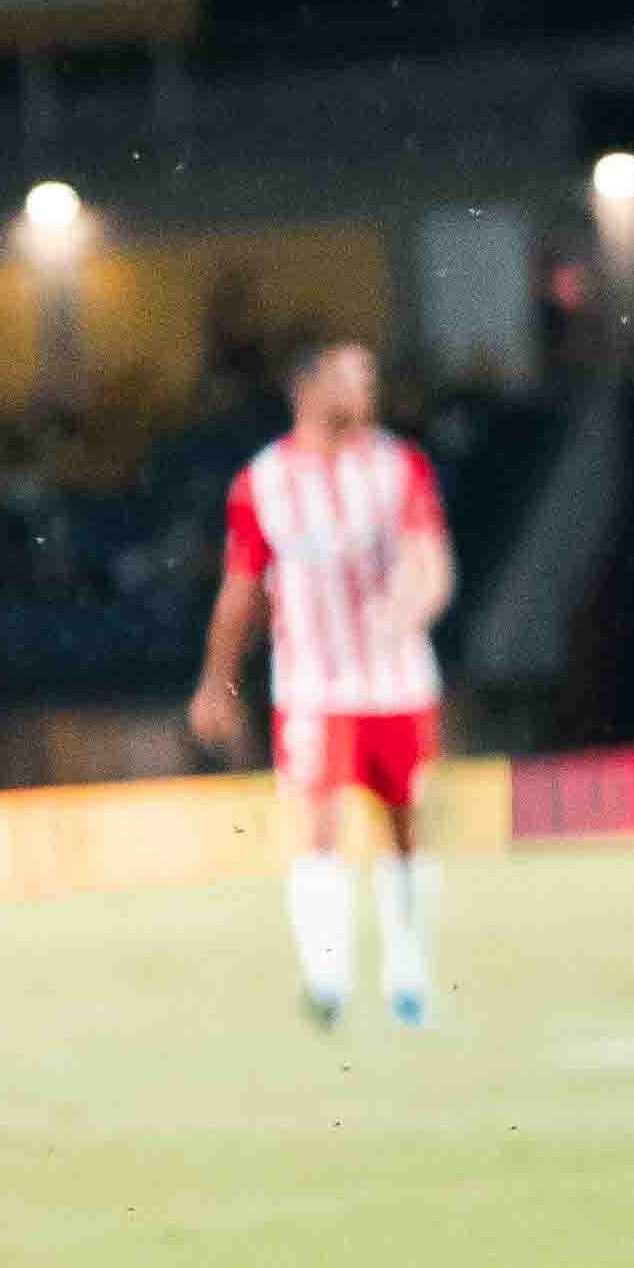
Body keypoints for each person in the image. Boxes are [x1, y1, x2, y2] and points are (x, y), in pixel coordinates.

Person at [188, 336, 456, 1025]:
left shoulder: (399, 467)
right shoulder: (263, 482)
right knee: (316, 823)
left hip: (397, 681)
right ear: (305, 391)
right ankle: (327, 980)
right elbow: (240, 590)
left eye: (368, 377)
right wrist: (216, 681)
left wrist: (413, 606)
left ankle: (408, 975)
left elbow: (430, 561)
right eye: (347, 378)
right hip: (312, 684)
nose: (363, 391)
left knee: (403, 827)